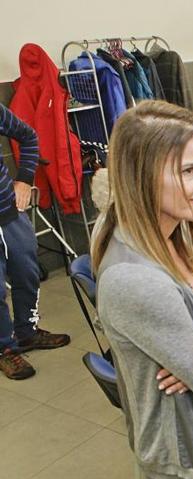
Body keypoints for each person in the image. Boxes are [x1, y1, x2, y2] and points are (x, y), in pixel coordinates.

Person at [92, 101, 193, 479]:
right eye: (190, 171)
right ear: (140, 177)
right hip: (192, 465)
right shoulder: (135, 278)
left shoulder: (177, 234)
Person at [0, 104, 70, 381]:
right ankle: (5, 349)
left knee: (28, 276)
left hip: (10, 214)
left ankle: (27, 333)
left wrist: (24, 180)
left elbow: (28, 136)